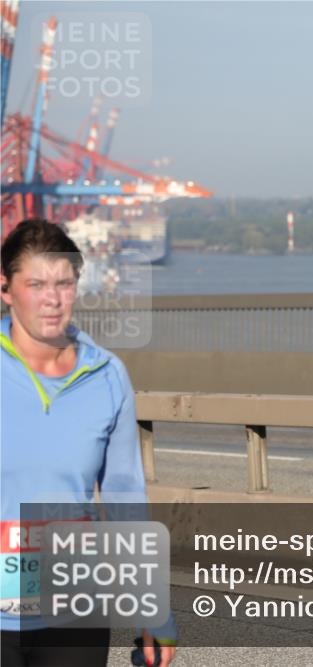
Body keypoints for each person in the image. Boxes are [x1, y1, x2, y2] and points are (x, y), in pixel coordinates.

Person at [0, 220, 176, 666]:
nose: (52, 299)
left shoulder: (108, 375)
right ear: (6, 290)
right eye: (36, 283)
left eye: (64, 282)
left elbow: (124, 496)